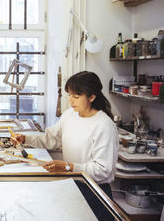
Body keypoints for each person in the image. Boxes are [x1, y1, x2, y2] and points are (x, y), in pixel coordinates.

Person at [11, 71, 118, 220]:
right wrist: (25, 139)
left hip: (95, 192)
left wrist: (68, 167)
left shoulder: (104, 125)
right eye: (69, 95)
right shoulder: (69, 116)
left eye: (76, 96)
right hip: (73, 184)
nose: (71, 101)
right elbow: (50, 138)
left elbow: (102, 170)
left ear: (92, 97)